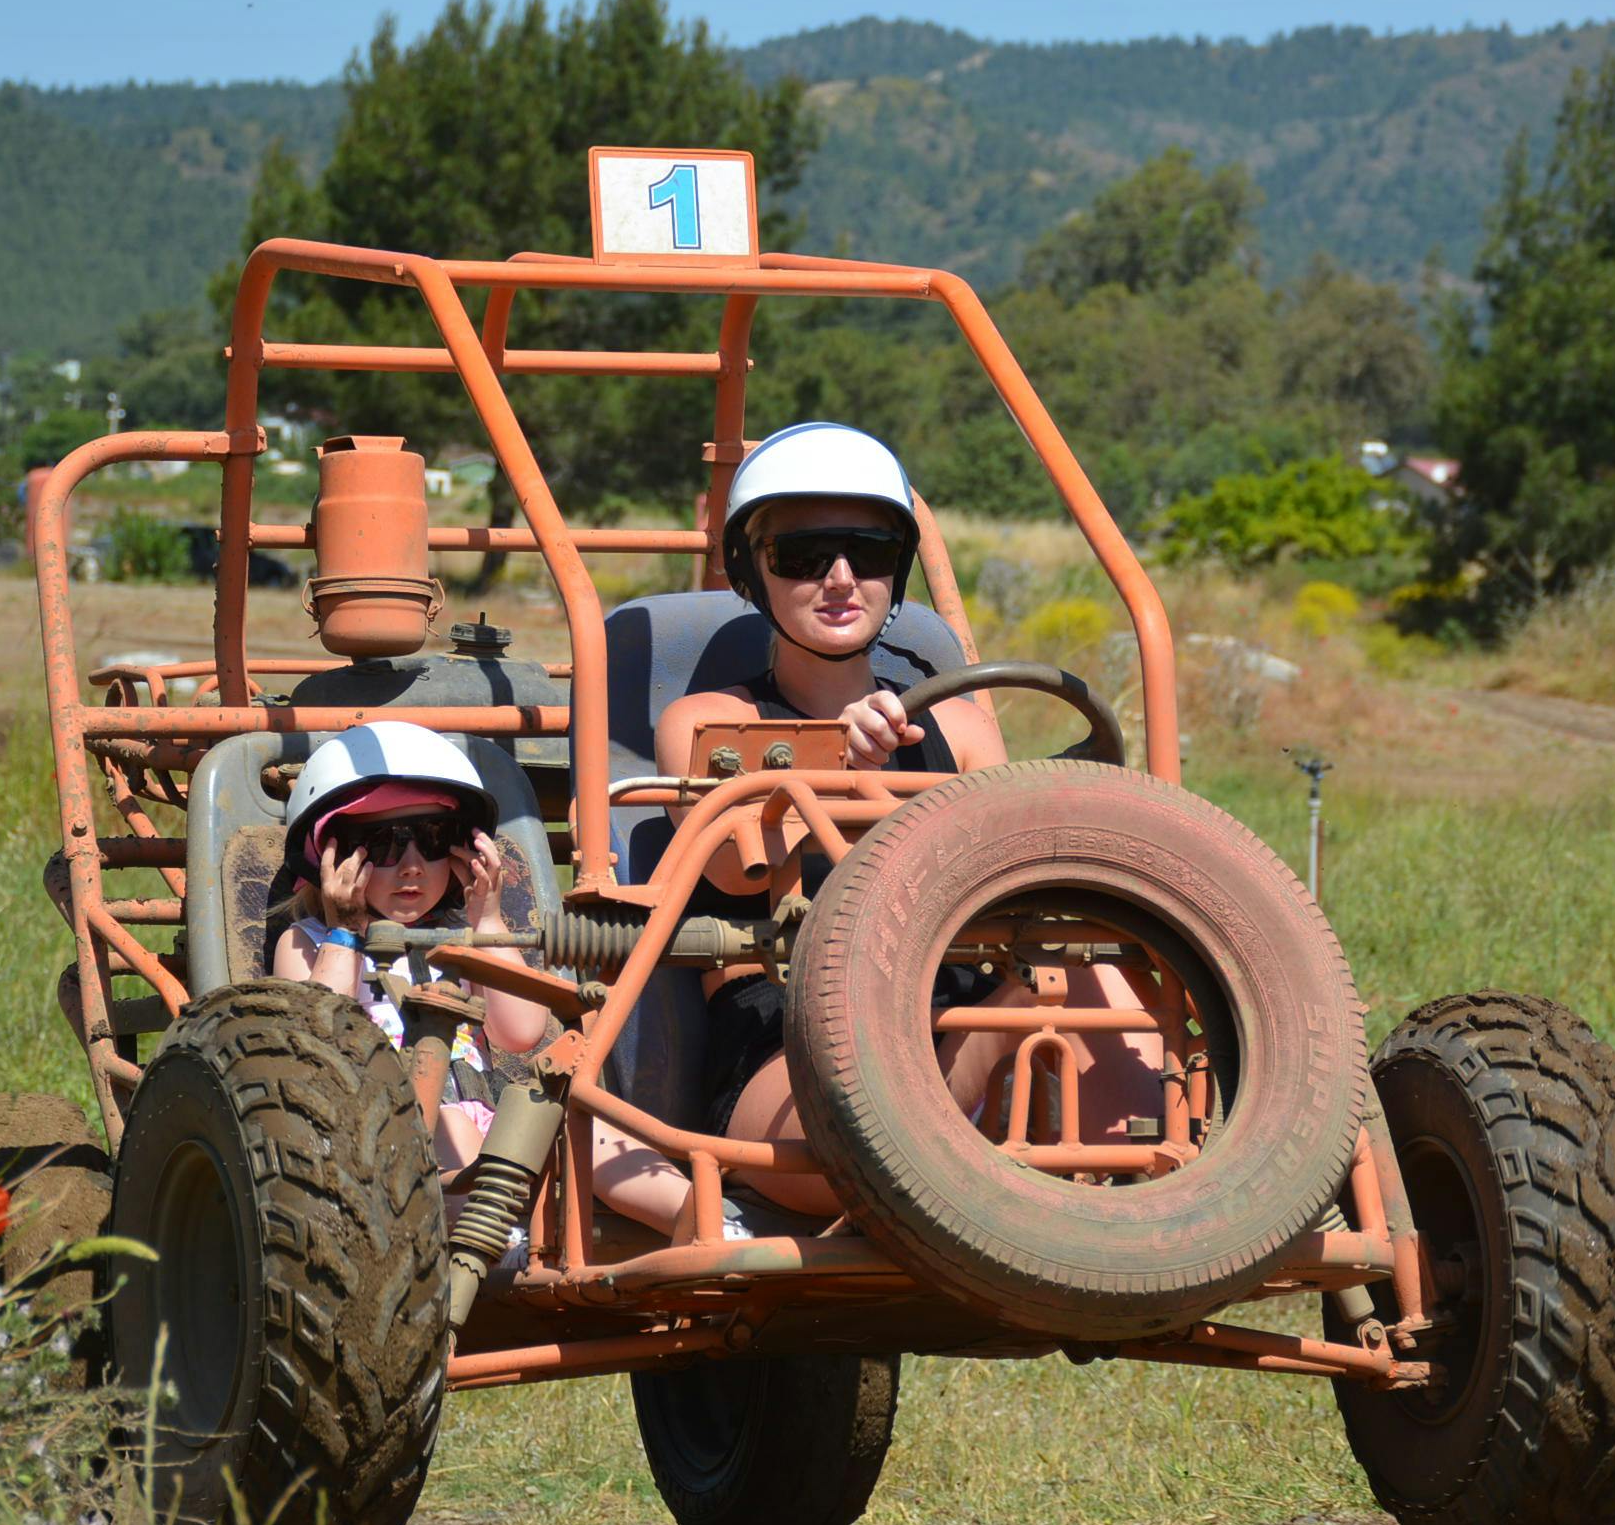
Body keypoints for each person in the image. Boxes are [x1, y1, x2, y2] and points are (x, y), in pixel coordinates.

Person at [653, 423, 1162, 1214]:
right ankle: (987, 1128)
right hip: (789, 1032)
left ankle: (1155, 1200)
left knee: (1089, 963)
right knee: (1008, 1016)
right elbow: (731, 868)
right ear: (753, 572)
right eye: (803, 556)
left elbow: (1015, 877)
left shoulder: (957, 727)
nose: (841, 579)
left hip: (955, 997)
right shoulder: (709, 721)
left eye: (870, 553)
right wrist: (842, 764)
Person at [273, 721, 739, 1250]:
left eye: (432, 840)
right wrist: (345, 931)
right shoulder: (308, 942)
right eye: (382, 845)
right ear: (333, 860)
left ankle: (705, 1220)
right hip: (377, 1135)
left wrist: (488, 919)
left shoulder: (462, 937)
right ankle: (495, 1245)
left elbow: (520, 1032)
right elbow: (319, 1045)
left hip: (484, 1119)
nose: (412, 866)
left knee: (586, 1127)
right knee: (449, 1126)